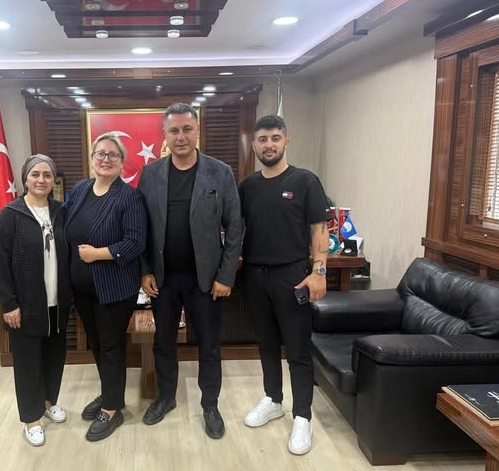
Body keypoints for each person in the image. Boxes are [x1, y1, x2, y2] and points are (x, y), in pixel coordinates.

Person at [137, 102, 242, 439]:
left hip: (206, 280)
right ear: (164, 135)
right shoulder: (151, 174)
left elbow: (235, 227)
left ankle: (210, 405)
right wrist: (144, 270)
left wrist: (225, 275)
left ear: (197, 131)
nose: (180, 137)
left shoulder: (220, 172)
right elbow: (141, 227)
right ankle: (166, 397)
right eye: (174, 131)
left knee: (209, 345)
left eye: (186, 129)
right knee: (163, 343)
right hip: (163, 279)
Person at [239, 114, 331, 455]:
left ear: (286, 142)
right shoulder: (247, 186)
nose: (269, 145)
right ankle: (273, 399)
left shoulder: (305, 181)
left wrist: (319, 271)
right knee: (265, 344)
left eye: (275, 138)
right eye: (263, 139)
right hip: (254, 275)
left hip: (292, 276)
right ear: (254, 145)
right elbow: (236, 228)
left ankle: (302, 416)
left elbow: (319, 229)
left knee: (297, 349)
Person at [66, 132, 147, 442]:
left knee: (111, 346)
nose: (106, 159)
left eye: (113, 155)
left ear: (122, 162)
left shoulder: (129, 197)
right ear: (92, 158)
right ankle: (110, 392)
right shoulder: (80, 189)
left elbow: (135, 243)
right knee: (97, 344)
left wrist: (97, 254)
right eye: (100, 153)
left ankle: (112, 409)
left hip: (114, 288)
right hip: (82, 288)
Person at [0, 154, 70, 447]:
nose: (41, 180)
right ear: (25, 179)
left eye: (47, 175)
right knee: (28, 363)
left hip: (57, 302)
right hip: (25, 304)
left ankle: (49, 403)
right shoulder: (9, 215)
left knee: (54, 357)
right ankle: (31, 419)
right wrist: (9, 304)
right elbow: (0, 265)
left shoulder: (61, 212)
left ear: (54, 180)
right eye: (35, 174)